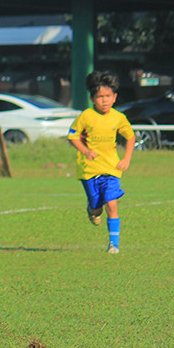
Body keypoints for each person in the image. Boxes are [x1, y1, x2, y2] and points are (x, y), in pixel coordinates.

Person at [68, 70, 135, 254]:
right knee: (97, 208)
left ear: (114, 97)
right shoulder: (86, 116)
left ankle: (113, 245)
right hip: (89, 170)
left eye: (108, 96)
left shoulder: (118, 118)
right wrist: (86, 151)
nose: (104, 100)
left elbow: (130, 137)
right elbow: (72, 136)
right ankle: (92, 210)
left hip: (111, 168)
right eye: (99, 97)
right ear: (92, 98)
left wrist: (126, 158)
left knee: (111, 203)